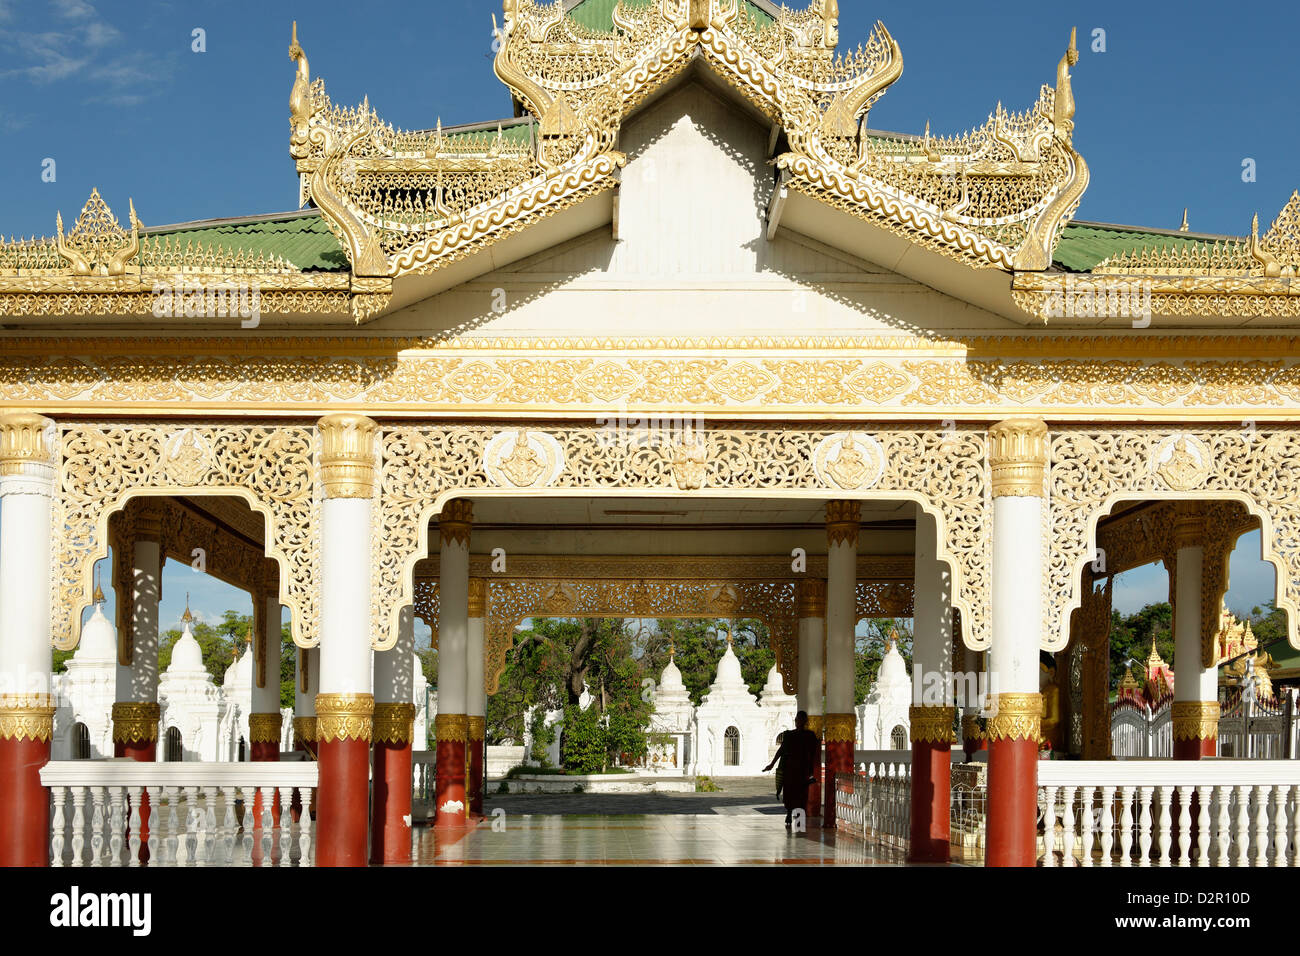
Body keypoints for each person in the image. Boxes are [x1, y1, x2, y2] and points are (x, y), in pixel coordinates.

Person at [763, 711, 819, 828]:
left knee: (801, 795)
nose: (799, 722)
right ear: (796, 721)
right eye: (797, 720)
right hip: (790, 768)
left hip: (802, 769)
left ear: (805, 721)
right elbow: (781, 750)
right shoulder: (789, 735)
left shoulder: (810, 736)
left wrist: (811, 771)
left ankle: (799, 818)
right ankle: (789, 814)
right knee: (789, 793)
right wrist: (772, 764)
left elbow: (814, 754)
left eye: (801, 720)